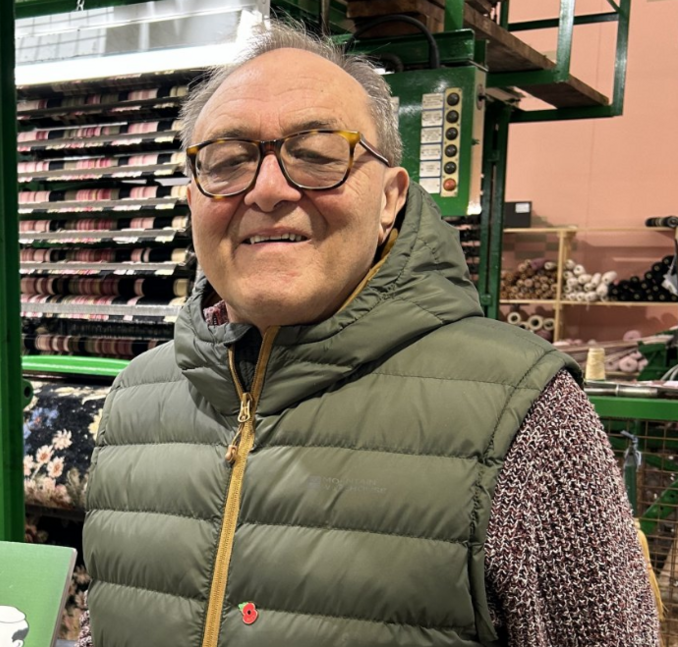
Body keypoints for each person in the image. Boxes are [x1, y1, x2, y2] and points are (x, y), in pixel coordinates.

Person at [77, 20, 660, 647]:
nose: (268, 190)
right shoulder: (137, 399)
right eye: (227, 160)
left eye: (318, 154)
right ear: (192, 198)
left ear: (390, 198)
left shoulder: (524, 416)